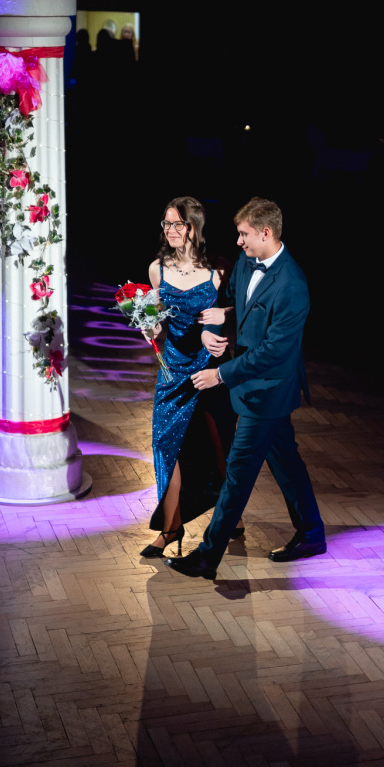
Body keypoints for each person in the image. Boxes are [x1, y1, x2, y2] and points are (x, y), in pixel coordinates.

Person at [164, 197, 326, 580]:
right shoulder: (246, 261)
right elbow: (234, 304)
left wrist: (220, 375)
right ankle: (311, 533)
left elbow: (273, 352)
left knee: (237, 475)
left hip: (267, 391)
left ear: (266, 233)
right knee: (286, 463)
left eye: (244, 234)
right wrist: (218, 321)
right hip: (252, 385)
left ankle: (207, 557)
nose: (238, 241)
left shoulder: (292, 284)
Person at [141, 196, 236, 557]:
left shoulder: (218, 270)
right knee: (165, 446)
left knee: (219, 447)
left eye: (176, 224)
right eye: (166, 224)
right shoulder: (157, 270)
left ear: (193, 227)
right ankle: (170, 528)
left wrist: (224, 318)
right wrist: (149, 328)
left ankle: (233, 516)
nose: (170, 230)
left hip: (209, 369)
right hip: (172, 370)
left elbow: (241, 311)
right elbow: (155, 319)